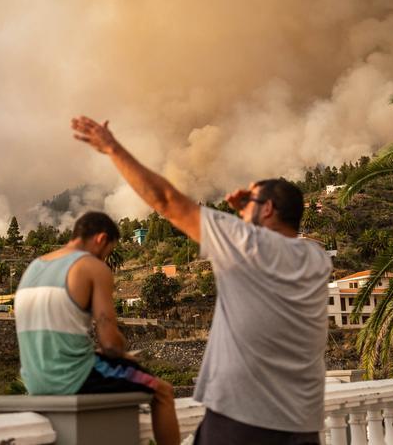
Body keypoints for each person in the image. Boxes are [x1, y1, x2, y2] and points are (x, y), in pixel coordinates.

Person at [72, 116, 332, 445]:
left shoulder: (245, 243)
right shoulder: (317, 259)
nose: (241, 210)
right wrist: (248, 211)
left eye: (250, 201)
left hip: (244, 419)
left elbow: (165, 200)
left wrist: (111, 147)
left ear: (267, 209)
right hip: (303, 424)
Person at [14, 211, 180, 445]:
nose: (105, 260)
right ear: (101, 239)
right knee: (162, 392)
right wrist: (122, 353)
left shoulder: (34, 267)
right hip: (73, 378)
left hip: (34, 380)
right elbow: (110, 344)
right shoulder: (92, 267)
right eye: (107, 253)